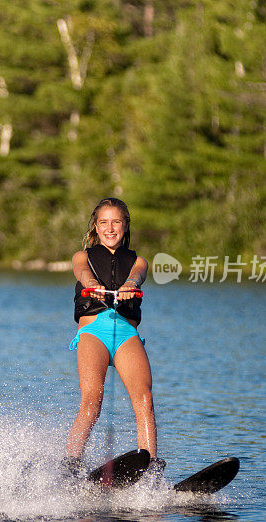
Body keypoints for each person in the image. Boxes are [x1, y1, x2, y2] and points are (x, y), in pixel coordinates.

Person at [63, 197, 162, 476]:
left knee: (144, 399)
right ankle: (70, 467)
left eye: (116, 221)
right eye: (104, 222)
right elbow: (82, 272)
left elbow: (138, 275)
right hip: (94, 330)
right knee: (92, 402)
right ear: (96, 226)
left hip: (126, 333)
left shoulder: (138, 260)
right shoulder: (82, 256)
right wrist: (92, 285)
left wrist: (131, 284)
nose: (110, 228)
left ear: (125, 225)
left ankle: (151, 469)